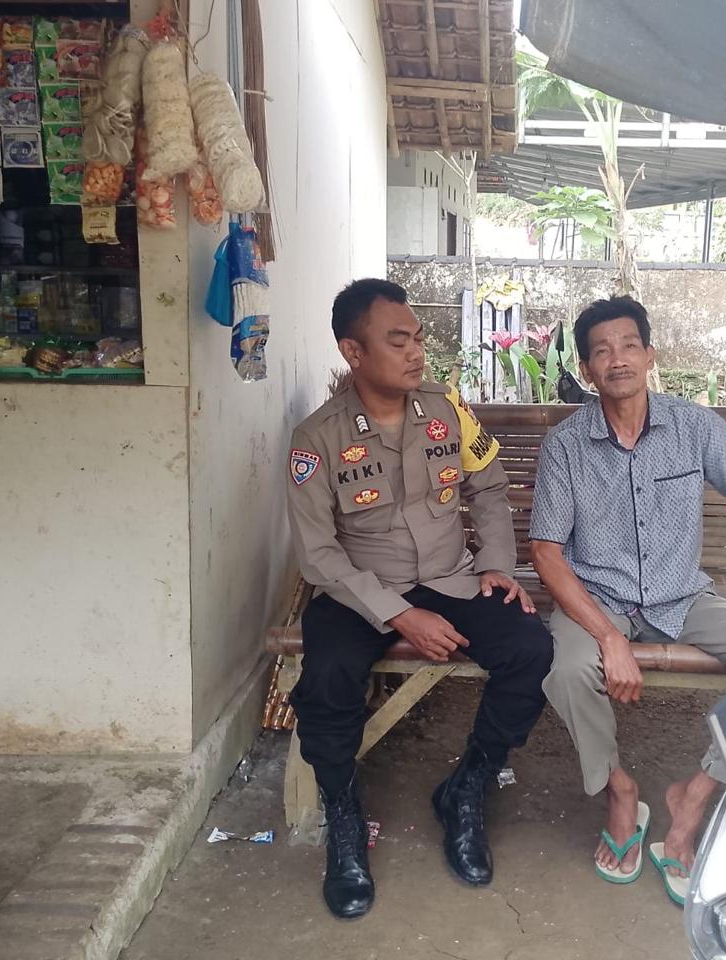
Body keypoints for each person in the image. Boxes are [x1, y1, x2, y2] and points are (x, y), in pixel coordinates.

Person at [286, 278, 553, 919]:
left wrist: (496, 565)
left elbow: (488, 488)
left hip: (452, 577)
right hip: (361, 591)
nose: (416, 353)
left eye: (418, 339)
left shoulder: (446, 410)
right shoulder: (316, 439)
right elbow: (318, 555)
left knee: (530, 649)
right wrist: (401, 614)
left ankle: (467, 787)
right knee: (327, 675)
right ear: (353, 352)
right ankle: (343, 815)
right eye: (398, 340)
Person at [529, 295, 726, 902]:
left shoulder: (694, 426)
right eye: (602, 351)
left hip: (682, 596)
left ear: (650, 355)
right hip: (599, 599)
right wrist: (608, 637)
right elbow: (546, 552)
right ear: (586, 368)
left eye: (629, 345)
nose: (617, 359)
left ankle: (693, 796)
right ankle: (620, 791)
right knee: (568, 668)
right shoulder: (566, 446)